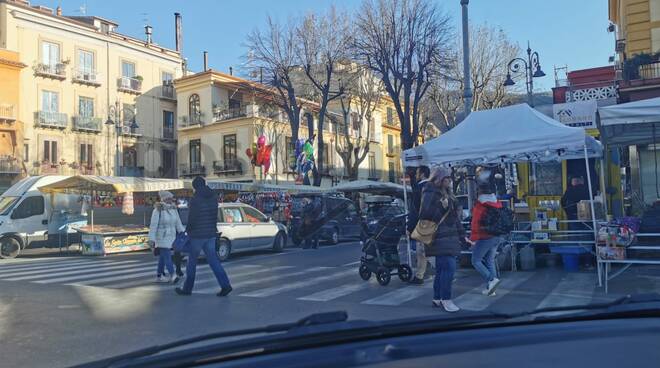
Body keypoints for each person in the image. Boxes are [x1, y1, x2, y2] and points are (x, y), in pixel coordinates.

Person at [418, 167, 468, 312]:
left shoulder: (448, 194)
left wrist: (463, 236)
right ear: (439, 179)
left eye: (450, 178)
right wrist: (442, 207)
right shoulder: (430, 193)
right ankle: (446, 299)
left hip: (448, 235)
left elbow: (454, 219)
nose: (450, 181)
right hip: (438, 236)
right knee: (449, 268)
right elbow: (425, 215)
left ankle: (437, 298)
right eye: (447, 178)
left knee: (442, 270)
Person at [175, 176, 232, 297]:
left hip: (197, 235)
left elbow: (192, 218)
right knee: (214, 261)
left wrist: (188, 230)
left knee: (192, 261)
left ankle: (187, 288)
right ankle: (225, 285)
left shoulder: (195, 199)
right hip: (210, 233)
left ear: (195, 187)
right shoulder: (213, 198)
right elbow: (214, 215)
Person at [470, 180, 503, 296]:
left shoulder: (480, 205)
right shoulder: (497, 202)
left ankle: (491, 280)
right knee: (490, 261)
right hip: (497, 236)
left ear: (480, 191)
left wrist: (472, 238)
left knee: (476, 260)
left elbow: (475, 223)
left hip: (484, 236)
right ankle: (491, 289)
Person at [148, 191, 185, 283]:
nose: (171, 200)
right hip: (161, 237)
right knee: (167, 256)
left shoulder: (173, 209)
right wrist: (151, 239)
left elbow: (178, 222)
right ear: (164, 199)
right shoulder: (158, 210)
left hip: (171, 236)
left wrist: (183, 233)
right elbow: (153, 225)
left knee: (163, 257)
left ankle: (159, 275)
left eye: (171, 198)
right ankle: (173, 275)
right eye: (169, 198)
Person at [408, 166, 431, 285]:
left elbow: (415, 209)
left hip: (423, 223)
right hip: (437, 221)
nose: (416, 175)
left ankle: (419, 275)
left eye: (417, 173)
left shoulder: (419, 188)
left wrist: (409, 227)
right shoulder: (435, 187)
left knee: (421, 251)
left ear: (422, 174)